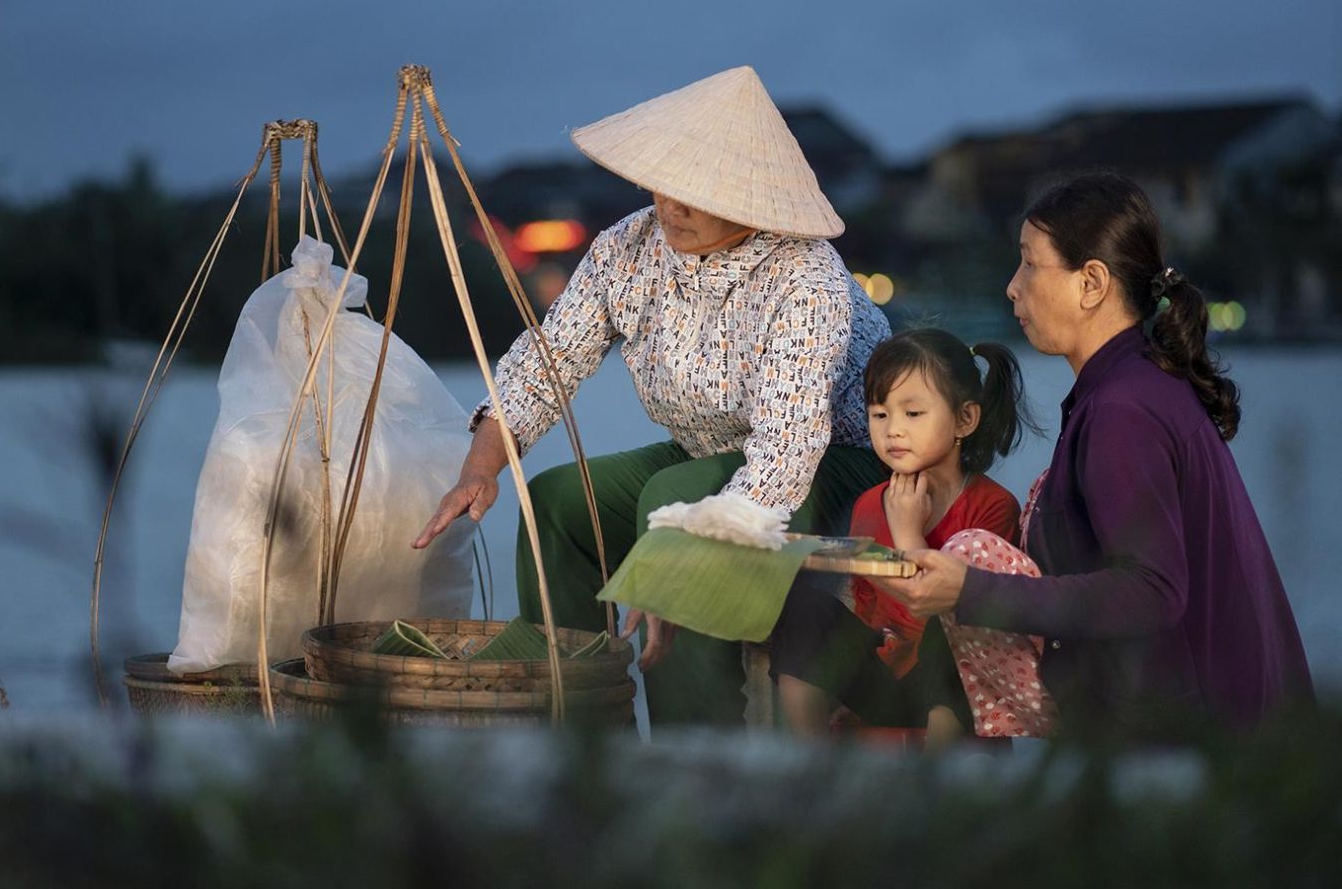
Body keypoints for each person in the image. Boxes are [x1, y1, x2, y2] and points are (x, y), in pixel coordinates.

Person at [413, 66, 891, 725]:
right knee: (554, 504)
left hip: (833, 465)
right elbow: (546, 365)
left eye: (698, 194)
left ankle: (692, 757)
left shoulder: (806, 277)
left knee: (672, 501)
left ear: (750, 199)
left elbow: (787, 451)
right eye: (667, 187)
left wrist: (677, 565)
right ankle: (583, 736)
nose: (672, 207)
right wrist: (479, 468)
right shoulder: (626, 248)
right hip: (709, 451)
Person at [873, 172, 1313, 740]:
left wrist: (968, 589)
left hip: (1193, 742)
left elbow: (1152, 590)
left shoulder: (1123, 409)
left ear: (1092, 283)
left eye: (1030, 263)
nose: (1012, 287)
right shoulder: (1136, 385)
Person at [770, 328, 1047, 745]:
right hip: (891, 673)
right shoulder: (868, 504)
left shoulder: (991, 507)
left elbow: (970, 619)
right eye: (879, 414)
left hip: (957, 696)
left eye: (913, 414)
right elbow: (866, 604)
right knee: (802, 607)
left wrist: (907, 532)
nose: (893, 430)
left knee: (950, 632)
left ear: (964, 419)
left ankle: (931, 786)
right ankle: (812, 761)